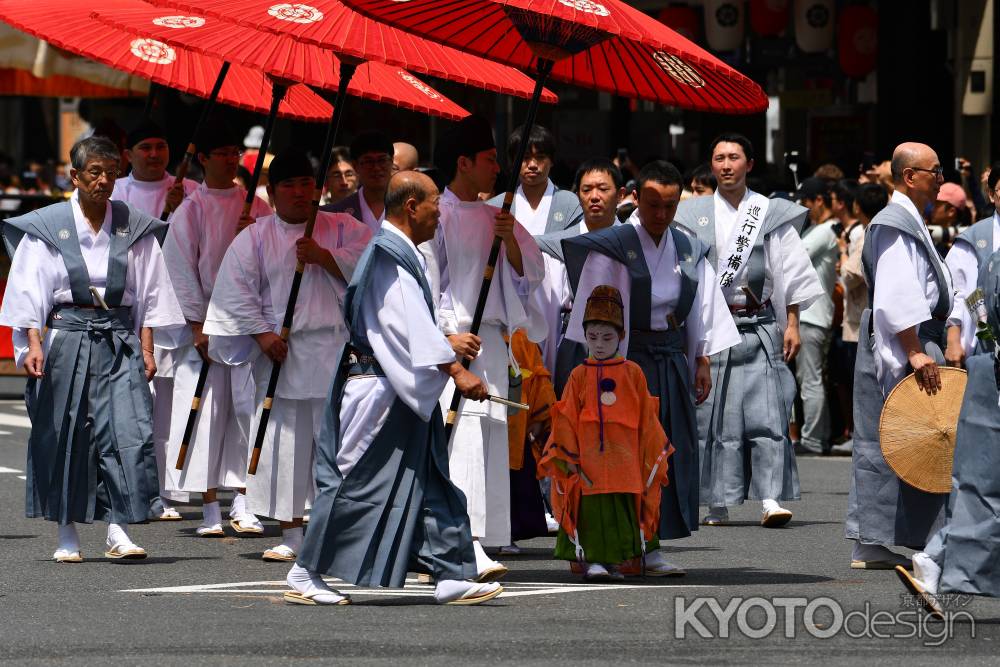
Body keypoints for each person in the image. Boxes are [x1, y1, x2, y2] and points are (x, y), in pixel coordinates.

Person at [288, 170, 502, 606]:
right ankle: (303, 570)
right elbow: (405, 326)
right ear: (411, 206)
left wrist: (445, 349)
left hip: (400, 384)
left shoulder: (400, 252)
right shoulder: (389, 254)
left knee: (430, 480)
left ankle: (449, 574)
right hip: (380, 392)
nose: (438, 215)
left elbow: (409, 325)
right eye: (434, 205)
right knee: (357, 482)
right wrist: (457, 370)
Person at [0, 136, 185, 562]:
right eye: (95, 173)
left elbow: (151, 293)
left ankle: (119, 528)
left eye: (111, 173)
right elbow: (29, 290)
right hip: (67, 333)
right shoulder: (48, 226)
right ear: (75, 177)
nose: (104, 181)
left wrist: (149, 348)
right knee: (66, 431)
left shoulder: (132, 225)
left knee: (127, 431)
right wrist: (32, 343)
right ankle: (67, 530)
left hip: (119, 337)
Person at [562, 160, 740, 575]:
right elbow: (596, 309)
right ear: (636, 198)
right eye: (653, 204)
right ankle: (598, 549)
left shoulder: (688, 246)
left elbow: (701, 305)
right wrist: (602, 364)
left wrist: (702, 358)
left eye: (670, 205)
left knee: (660, 456)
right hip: (621, 359)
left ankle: (649, 544)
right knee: (610, 455)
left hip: (668, 357)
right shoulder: (614, 245)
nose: (661, 214)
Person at [203, 149, 372, 562]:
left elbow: (370, 267)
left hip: (333, 348)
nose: (299, 193)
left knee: (337, 442)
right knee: (285, 443)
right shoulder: (255, 236)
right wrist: (262, 335)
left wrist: (326, 258)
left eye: (306, 184)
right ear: (271, 193)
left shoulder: (343, 226)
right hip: (283, 352)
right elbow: (235, 290)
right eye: (289, 186)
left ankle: (337, 531)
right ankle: (292, 533)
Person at [673, 134, 823, 529]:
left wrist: (792, 323)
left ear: (749, 164)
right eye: (718, 157)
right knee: (711, 418)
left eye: (734, 157)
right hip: (712, 326)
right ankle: (715, 501)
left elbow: (789, 271)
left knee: (767, 414)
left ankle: (770, 497)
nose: (725, 165)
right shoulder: (694, 214)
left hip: (758, 325)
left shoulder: (769, 212)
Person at [431, 114, 545, 579]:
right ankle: (463, 541)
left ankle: (481, 537)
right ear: (463, 163)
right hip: (452, 344)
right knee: (461, 442)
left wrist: (509, 243)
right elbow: (425, 280)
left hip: (490, 342)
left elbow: (532, 274)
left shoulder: (499, 216)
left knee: (488, 440)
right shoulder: (432, 212)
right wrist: (445, 334)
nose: (498, 167)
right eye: (490, 158)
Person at [159, 122, 273, 537]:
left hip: (246, 325)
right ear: (203, 159)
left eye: (233, 151)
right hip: (206, 323)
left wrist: (253, 238)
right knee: (204, 413)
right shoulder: (192, 208)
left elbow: (271, 265)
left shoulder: (257, 208)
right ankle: (209, 507)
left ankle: (244, 502)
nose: (230, 159)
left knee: (247, 412)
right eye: (221, 152)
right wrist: (196, 325)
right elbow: (178, 268)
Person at [845, 142, 953, 569]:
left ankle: (875, 540)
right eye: (936, 170)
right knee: (904, 438)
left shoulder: (909, 220)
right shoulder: (894, 223)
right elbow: (896, 292)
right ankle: (882, 540)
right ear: (910, 176)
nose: (942, 177)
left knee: (895, 439)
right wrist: (913, 352)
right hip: (903, 340)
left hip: (911, 337)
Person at [541, 285, 671, 582]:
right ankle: (595, 560)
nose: (599, 344)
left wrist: (651, 451)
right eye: (592, 337)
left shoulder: (633, 372)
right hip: (589, 461)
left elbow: (647, 418)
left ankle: (640, 555)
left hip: (626, 459)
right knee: (593, 511)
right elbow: (566, 418)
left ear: (621, 337)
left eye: (607, 337)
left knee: (631, 504)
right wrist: (569, 455)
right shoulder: (578, 375)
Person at [896, 253, 1000, 618]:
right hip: (991, 366)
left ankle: (935, 555)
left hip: (988, 366)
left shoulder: (986, 249)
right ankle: (935, 556)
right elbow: (970, 300)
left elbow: (971, 299)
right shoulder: (979, 244)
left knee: (985, 489)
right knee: (988, 490)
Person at [111, 120, 199, 521]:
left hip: (179, 309)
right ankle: (137, 482)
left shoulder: (190, 192)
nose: (153, 154)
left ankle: (171, 486)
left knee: (174, 402)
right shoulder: (115, 193)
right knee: (136, 403)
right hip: (130, 308)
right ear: (128, 154)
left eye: (160, 145)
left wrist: (182, 210)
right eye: (144, 146)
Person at [836, 183, 889, 453]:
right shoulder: (880, 230)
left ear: (857, 206)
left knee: (860, 382)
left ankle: (862, 434)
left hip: (861, 321)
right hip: (866, 318)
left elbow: (851, 275)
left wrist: (843, 253)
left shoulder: (867, 233)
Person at [793, 177, 840, 455]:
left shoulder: (824, 231)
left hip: (812, 315)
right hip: (813, 315)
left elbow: (794, 257)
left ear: (819, 201)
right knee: (812, 378)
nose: (802, 209)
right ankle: (817, 437)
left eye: (805, 203)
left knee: (809, 379)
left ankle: (812, 439)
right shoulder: (820, 229)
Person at [503, 329, 556, 555]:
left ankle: (506, 533)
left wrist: (539, 416)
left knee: (513, 479)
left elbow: (537, 375)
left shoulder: (521, 335)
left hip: (516, 417)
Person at [944, 164, 1000, 364]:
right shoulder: (974, 238)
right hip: (986, 343)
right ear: (992, 195)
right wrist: (953, 338)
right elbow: (959, 292)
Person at [487, 124, 583, 235]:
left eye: (540, 157)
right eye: (525, 157)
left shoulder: (570, 202)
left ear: (552, 161)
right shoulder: (496, 206)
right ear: (513, 162)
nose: (532, 164)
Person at [321, 131, 393, 234]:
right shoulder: (331, 213)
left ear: (392, 162)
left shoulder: (408, 207)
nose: (376, 168)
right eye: (368, 162)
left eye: (382, 160)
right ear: (355, 166)